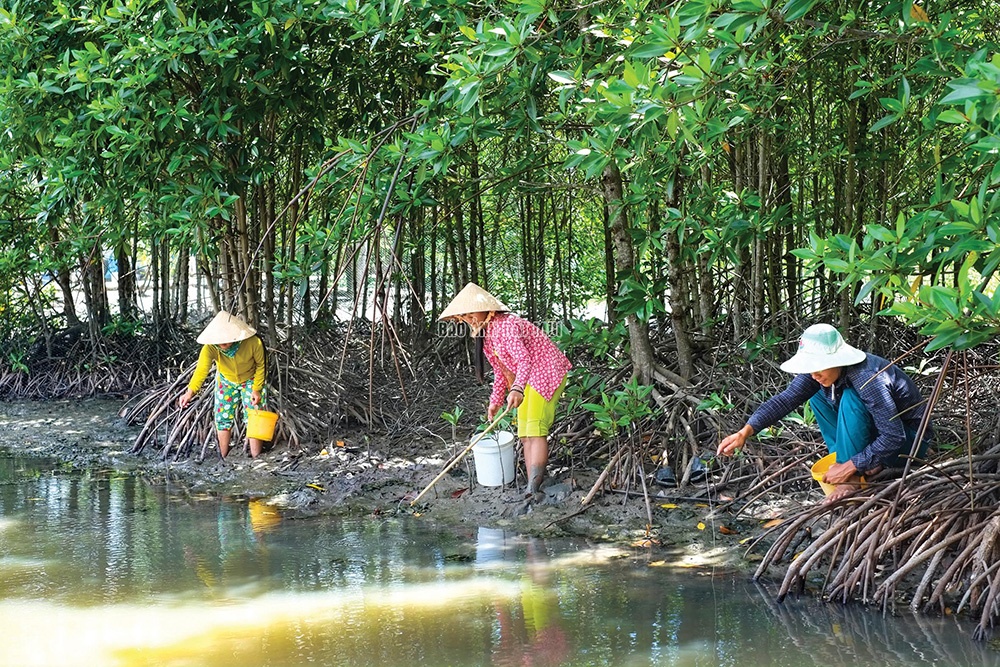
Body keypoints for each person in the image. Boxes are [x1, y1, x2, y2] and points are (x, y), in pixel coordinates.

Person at [716, 323, 931, 501]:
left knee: (850, 398)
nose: (814, 373)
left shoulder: (867, 378)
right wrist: (745, 432)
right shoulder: (818, 375)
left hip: (911, 443)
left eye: (819, 366)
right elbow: (785, 400)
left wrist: (852, 465)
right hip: (884, 438)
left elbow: (894, 435)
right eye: (811, 366)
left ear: (837, 360)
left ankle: (850, 478)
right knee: (817, 395)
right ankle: (848, 463)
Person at [439, 282, 572, 495]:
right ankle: (532, 484)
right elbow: (502, 373)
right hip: (527, 378)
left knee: (535, 430)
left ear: (487, 308)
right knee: (525, 434)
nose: (468, 319)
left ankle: (532, 488)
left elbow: (524, 359)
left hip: (545, 372)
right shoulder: (488, 335)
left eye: (471, 312)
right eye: (463, 316)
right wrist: (494, 402)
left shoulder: (505, 325)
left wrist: (517, 388)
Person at [178, 310, 268, 459]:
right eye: (218, 340)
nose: (221, 343)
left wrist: (257, 389)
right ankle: (223, 457)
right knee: (222, 418)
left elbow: (261, 366)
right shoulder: (210, 347)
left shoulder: (253, 342)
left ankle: (256, 458)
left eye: (225, 339)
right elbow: (201, 371)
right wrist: (189, 392)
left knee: (254, 417)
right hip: (226, 381)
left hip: (251, 380)